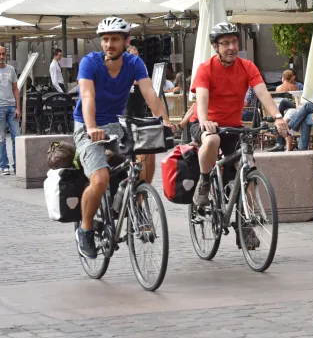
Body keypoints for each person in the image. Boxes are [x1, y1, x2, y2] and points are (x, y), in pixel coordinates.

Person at [73, 17, 172, 260]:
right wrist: (92, 126)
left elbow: (149, 93)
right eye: (105, 39)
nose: (109, 44)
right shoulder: (90, 62)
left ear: (126, 42)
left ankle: (138, 202)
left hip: (118, 125)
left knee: (148, 151)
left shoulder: (134, 62)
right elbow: (87, 96)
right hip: (88, 126)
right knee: (100, 178)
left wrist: (165, 122)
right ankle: (85, 229)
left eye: (114, 39)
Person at [190, 22, 288, 209]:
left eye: (235, 42)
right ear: (215, 47)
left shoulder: (247, 67)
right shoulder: (206, 68)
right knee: (211, 140)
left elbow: (262, 93)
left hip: (234, 127)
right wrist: (205, 121)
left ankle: (247, 223)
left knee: (247, 166)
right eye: (225, 43)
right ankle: (204, 182)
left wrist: (277, 116)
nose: (232, 47)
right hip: (205, 124)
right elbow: (201, 98)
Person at [0, 47, 20, 176]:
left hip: (12, 107)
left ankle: (18, 165)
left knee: (16, 137)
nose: (1, 56)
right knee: (1, 138)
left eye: (3, 54)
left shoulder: (11, 69)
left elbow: (16, 89)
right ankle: (4, 165)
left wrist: (18, 108)